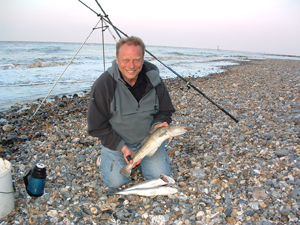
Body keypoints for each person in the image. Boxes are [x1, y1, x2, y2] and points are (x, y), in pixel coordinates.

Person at [87, 36, 175, 188]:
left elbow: (165, 110)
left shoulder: (155, 81)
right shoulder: (104, 84)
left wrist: (159, 124)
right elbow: (96, 126)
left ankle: (141, 160)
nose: (131, 65)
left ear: (142, 59)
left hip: (148, 141)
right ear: (117, 58)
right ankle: (106, 157)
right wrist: (122, 147)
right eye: (126, 60)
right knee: (115, 183)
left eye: (136, 60)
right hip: (117, 144)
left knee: (159, 179)